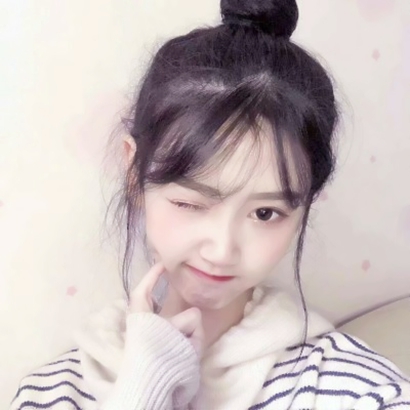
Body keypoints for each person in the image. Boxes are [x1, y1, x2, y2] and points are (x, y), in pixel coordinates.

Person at [10, 0, 410, 409]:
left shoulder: (360, 390)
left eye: (265, 213)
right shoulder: (53, 392)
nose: (221, 251)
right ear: (134, 173)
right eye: (191, 203)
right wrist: (142, 389)